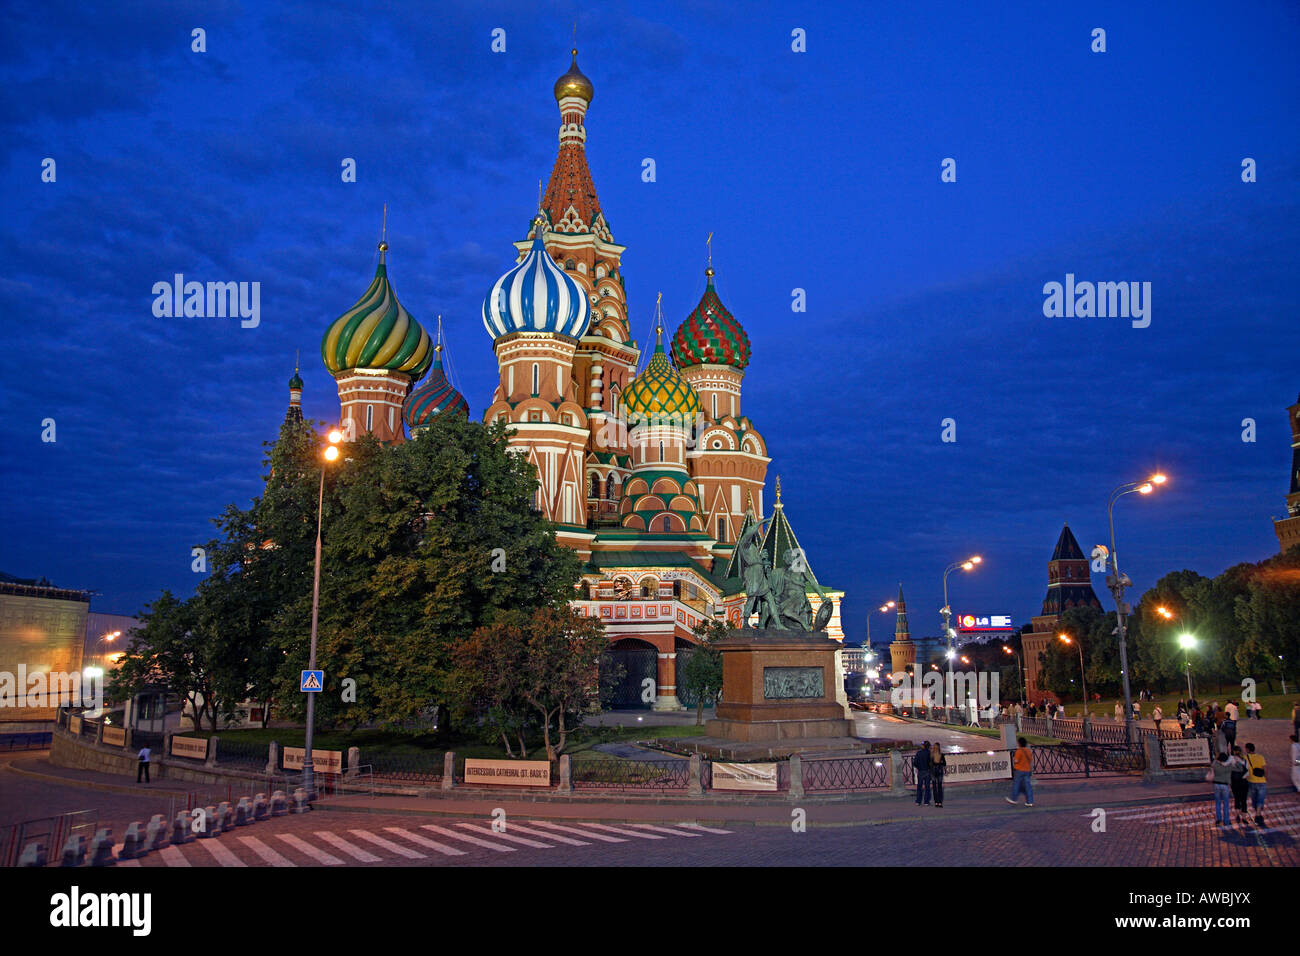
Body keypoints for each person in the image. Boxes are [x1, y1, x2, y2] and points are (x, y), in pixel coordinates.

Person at [1006, 736, 1034, 807]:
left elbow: (1016, 760)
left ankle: (1014, 799)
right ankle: (1030, 801)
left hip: (1019, 770)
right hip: (1027, 770)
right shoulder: (1028, 751)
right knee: (1028, 786)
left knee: (1016, 785)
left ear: (1019, 743)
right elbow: (1030, 759)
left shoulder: (1019, 751)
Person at [1244, 743, 1267, 826]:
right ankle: (1258, 814)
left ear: (1247, 749)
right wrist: (1265, 778)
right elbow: (1264, 769)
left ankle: (1257, 814)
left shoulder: (1245, 758)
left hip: (1251, 781)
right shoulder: (1261, 757)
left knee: (1254, 798)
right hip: (1261, 781)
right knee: (1260, 798)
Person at [1210, 750, 1233, 827]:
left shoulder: (1215, 764)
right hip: (1225, 785)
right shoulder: (1228, 766)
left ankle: (1218, 818)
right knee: (1226, 803)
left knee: (1218, 802)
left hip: (1216, 784)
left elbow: (1212, 766)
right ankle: (1226, 820)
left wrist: (1216, 759)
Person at [1228, 745, 1249, 826]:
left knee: (1237, 798)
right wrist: (1242, 777)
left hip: (1234, 782)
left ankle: (1237, 815)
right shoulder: (1244, 760)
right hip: (1243, 782)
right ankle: (1244, 817)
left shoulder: (1231, 759)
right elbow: (1248, 772)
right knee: (1244, 800)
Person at [913, 741, 932, 806]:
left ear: (923, 746)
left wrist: (919, 767)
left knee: (919, 787)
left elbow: (915, 763)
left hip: (920, 771)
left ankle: (918, 801)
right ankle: (926, 801)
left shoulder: (919, 753)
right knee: (927, 787)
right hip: (927, 771)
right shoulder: (929, 753)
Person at [930, 742, 947, 808]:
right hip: (939, 771)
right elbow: (944, 764)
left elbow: (930, 764)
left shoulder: (931, 755)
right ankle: (940, 802)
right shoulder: (941, 755)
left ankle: (936, 802)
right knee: (939, 787)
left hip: (933, 771)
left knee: (934, 787)